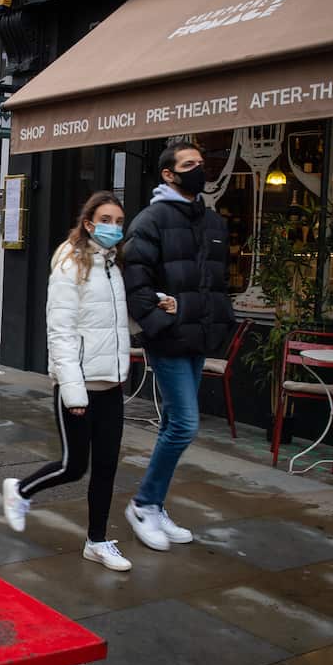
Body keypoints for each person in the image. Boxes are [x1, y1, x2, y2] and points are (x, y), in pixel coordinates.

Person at [1, 192, 161, 572]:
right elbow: (60, 332)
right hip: (79, 385)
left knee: (106, 468)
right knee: (74, 466)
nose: (114, 228)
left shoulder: (113, 266)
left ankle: (98, 541)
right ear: (88, 223)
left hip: (111, 384)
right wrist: (72, 390)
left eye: (120, 221)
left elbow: (116, 320)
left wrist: (155, 306)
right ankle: (20, 490)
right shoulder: (70, 264)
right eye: (106, 219)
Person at [120, 140, 235, 551]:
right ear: (168, 174)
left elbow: (216, 283)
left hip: (198, 335)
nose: (198, 169)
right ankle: (143, 504)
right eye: (189, 165)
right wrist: (160, 323)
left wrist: (210, 318)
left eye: (201, 163)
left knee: (173, 424)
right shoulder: (150, 221)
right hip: (169, 339)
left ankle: (155, 505)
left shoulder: (213, 223)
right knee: (185, 424)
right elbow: (136, 284)